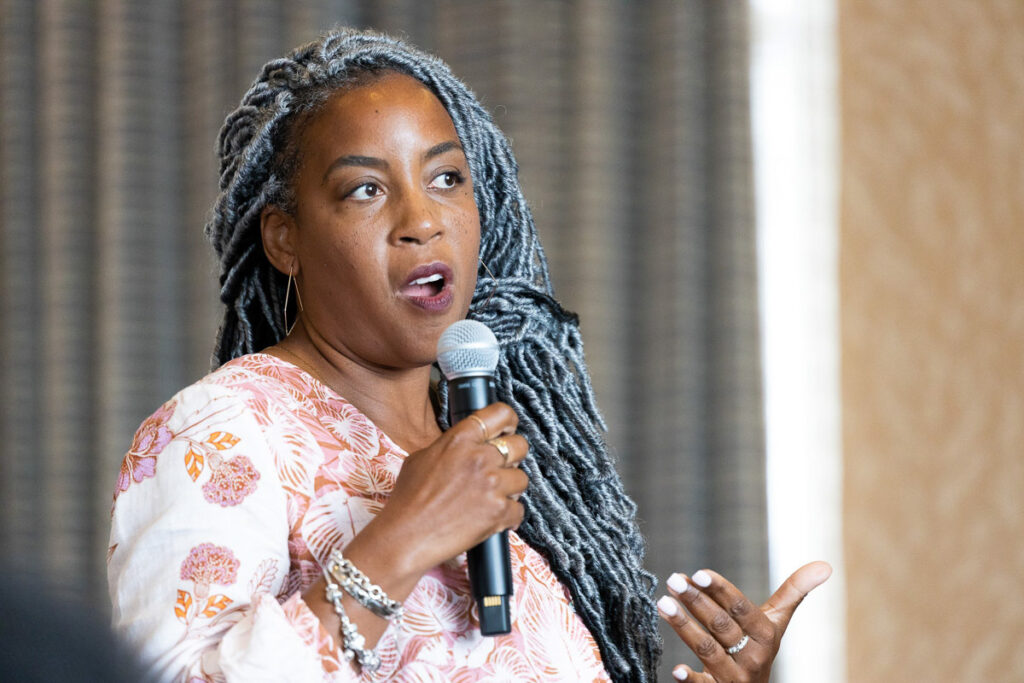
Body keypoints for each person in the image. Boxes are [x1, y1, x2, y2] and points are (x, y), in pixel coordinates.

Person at [108, 27, 829, 683]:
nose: (422, 221)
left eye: (447, 179)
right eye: (365, 189)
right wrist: (397, 542)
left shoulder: (491, 459)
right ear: (284, 238)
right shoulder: (221, 430)